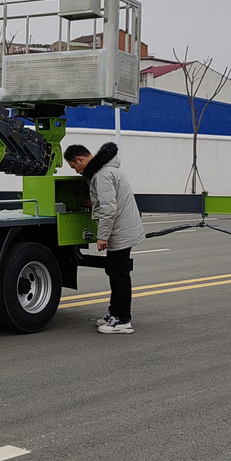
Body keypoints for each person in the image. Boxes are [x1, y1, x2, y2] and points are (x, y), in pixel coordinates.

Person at [64, 141, 144, 334]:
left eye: (74, 166)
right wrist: (94, 201)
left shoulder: (102, 175)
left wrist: (102, 236)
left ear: (80, 159)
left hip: (120, 231)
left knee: (119, 275)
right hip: (123, 228)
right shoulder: (107, 169)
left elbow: (109, 209)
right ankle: (114, 313)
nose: (75, 171)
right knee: (114, 272)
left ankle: (123, 320)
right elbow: (110, 199)